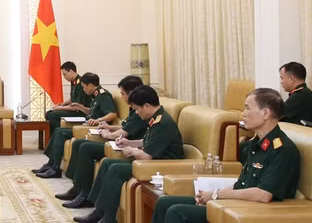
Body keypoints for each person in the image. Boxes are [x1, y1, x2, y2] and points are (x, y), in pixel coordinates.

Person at [152, 88, 300, 223]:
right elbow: (243, 183)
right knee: (164, 202)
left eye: (248, 108)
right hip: (237, 202)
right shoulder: (255, 143)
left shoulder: (283, 149)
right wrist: (212, 194)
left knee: (177, 212)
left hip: (255, 210)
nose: (243, 113)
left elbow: (263, 194)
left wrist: (217, 195)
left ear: (266, 113)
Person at [77, 85, 185, 223]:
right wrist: (128, 143)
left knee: (115, 169)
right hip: (150, 163)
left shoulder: (162, 123)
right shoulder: (155, 118)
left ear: (146, 106)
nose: (137, 113)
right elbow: (145, 142)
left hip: (162, 166)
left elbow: (146, 155)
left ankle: (108, 219)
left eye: (137, 109)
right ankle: (99, 212)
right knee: (107, 163)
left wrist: (131, 151)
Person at [57, 76, 147, 207]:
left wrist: (109, 134)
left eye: (123, 94)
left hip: (125, 146)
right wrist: (109, 127)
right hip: (121, 142)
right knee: (79, 144)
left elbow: (125, 132)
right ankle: (78, 189)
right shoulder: (135, 108)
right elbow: (125, 126)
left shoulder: (141, 111)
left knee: (86, 148)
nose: (121, 97)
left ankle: (84, 194)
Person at [34, 72, 118, 178]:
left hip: (96, 128)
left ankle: (55, 168)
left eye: (84, 87)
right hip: (88, 124)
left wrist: (98, 120)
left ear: (91, 85)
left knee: (61, 132)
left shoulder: (103, 95)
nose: (83, 90)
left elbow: (112, 114)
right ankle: (51, 164)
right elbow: (91, 112)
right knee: (58, 131)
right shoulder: (95, 95)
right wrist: (80, 107)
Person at [45, 62, 93, 137]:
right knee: (48, 113)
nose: (64, 77)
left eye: (65, 74)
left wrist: (59, 108)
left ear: (71, 71)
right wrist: (62, 104)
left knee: (53, 115)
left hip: (80, 112)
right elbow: (73, 98)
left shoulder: (80, 83)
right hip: (75, 110)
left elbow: (76, 106)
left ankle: (56, 137)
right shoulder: (73, 82)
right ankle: (51, 138)